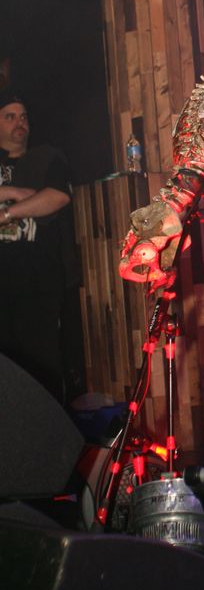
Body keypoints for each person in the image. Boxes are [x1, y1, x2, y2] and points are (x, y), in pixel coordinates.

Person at [0, 94, 74, 401]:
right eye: (10, 116)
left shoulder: (47, 157)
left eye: (24, 116)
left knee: (42, 368)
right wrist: (15, 191)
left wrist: (7, 211)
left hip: (37, 281)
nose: (20, 122)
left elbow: (57, 197)